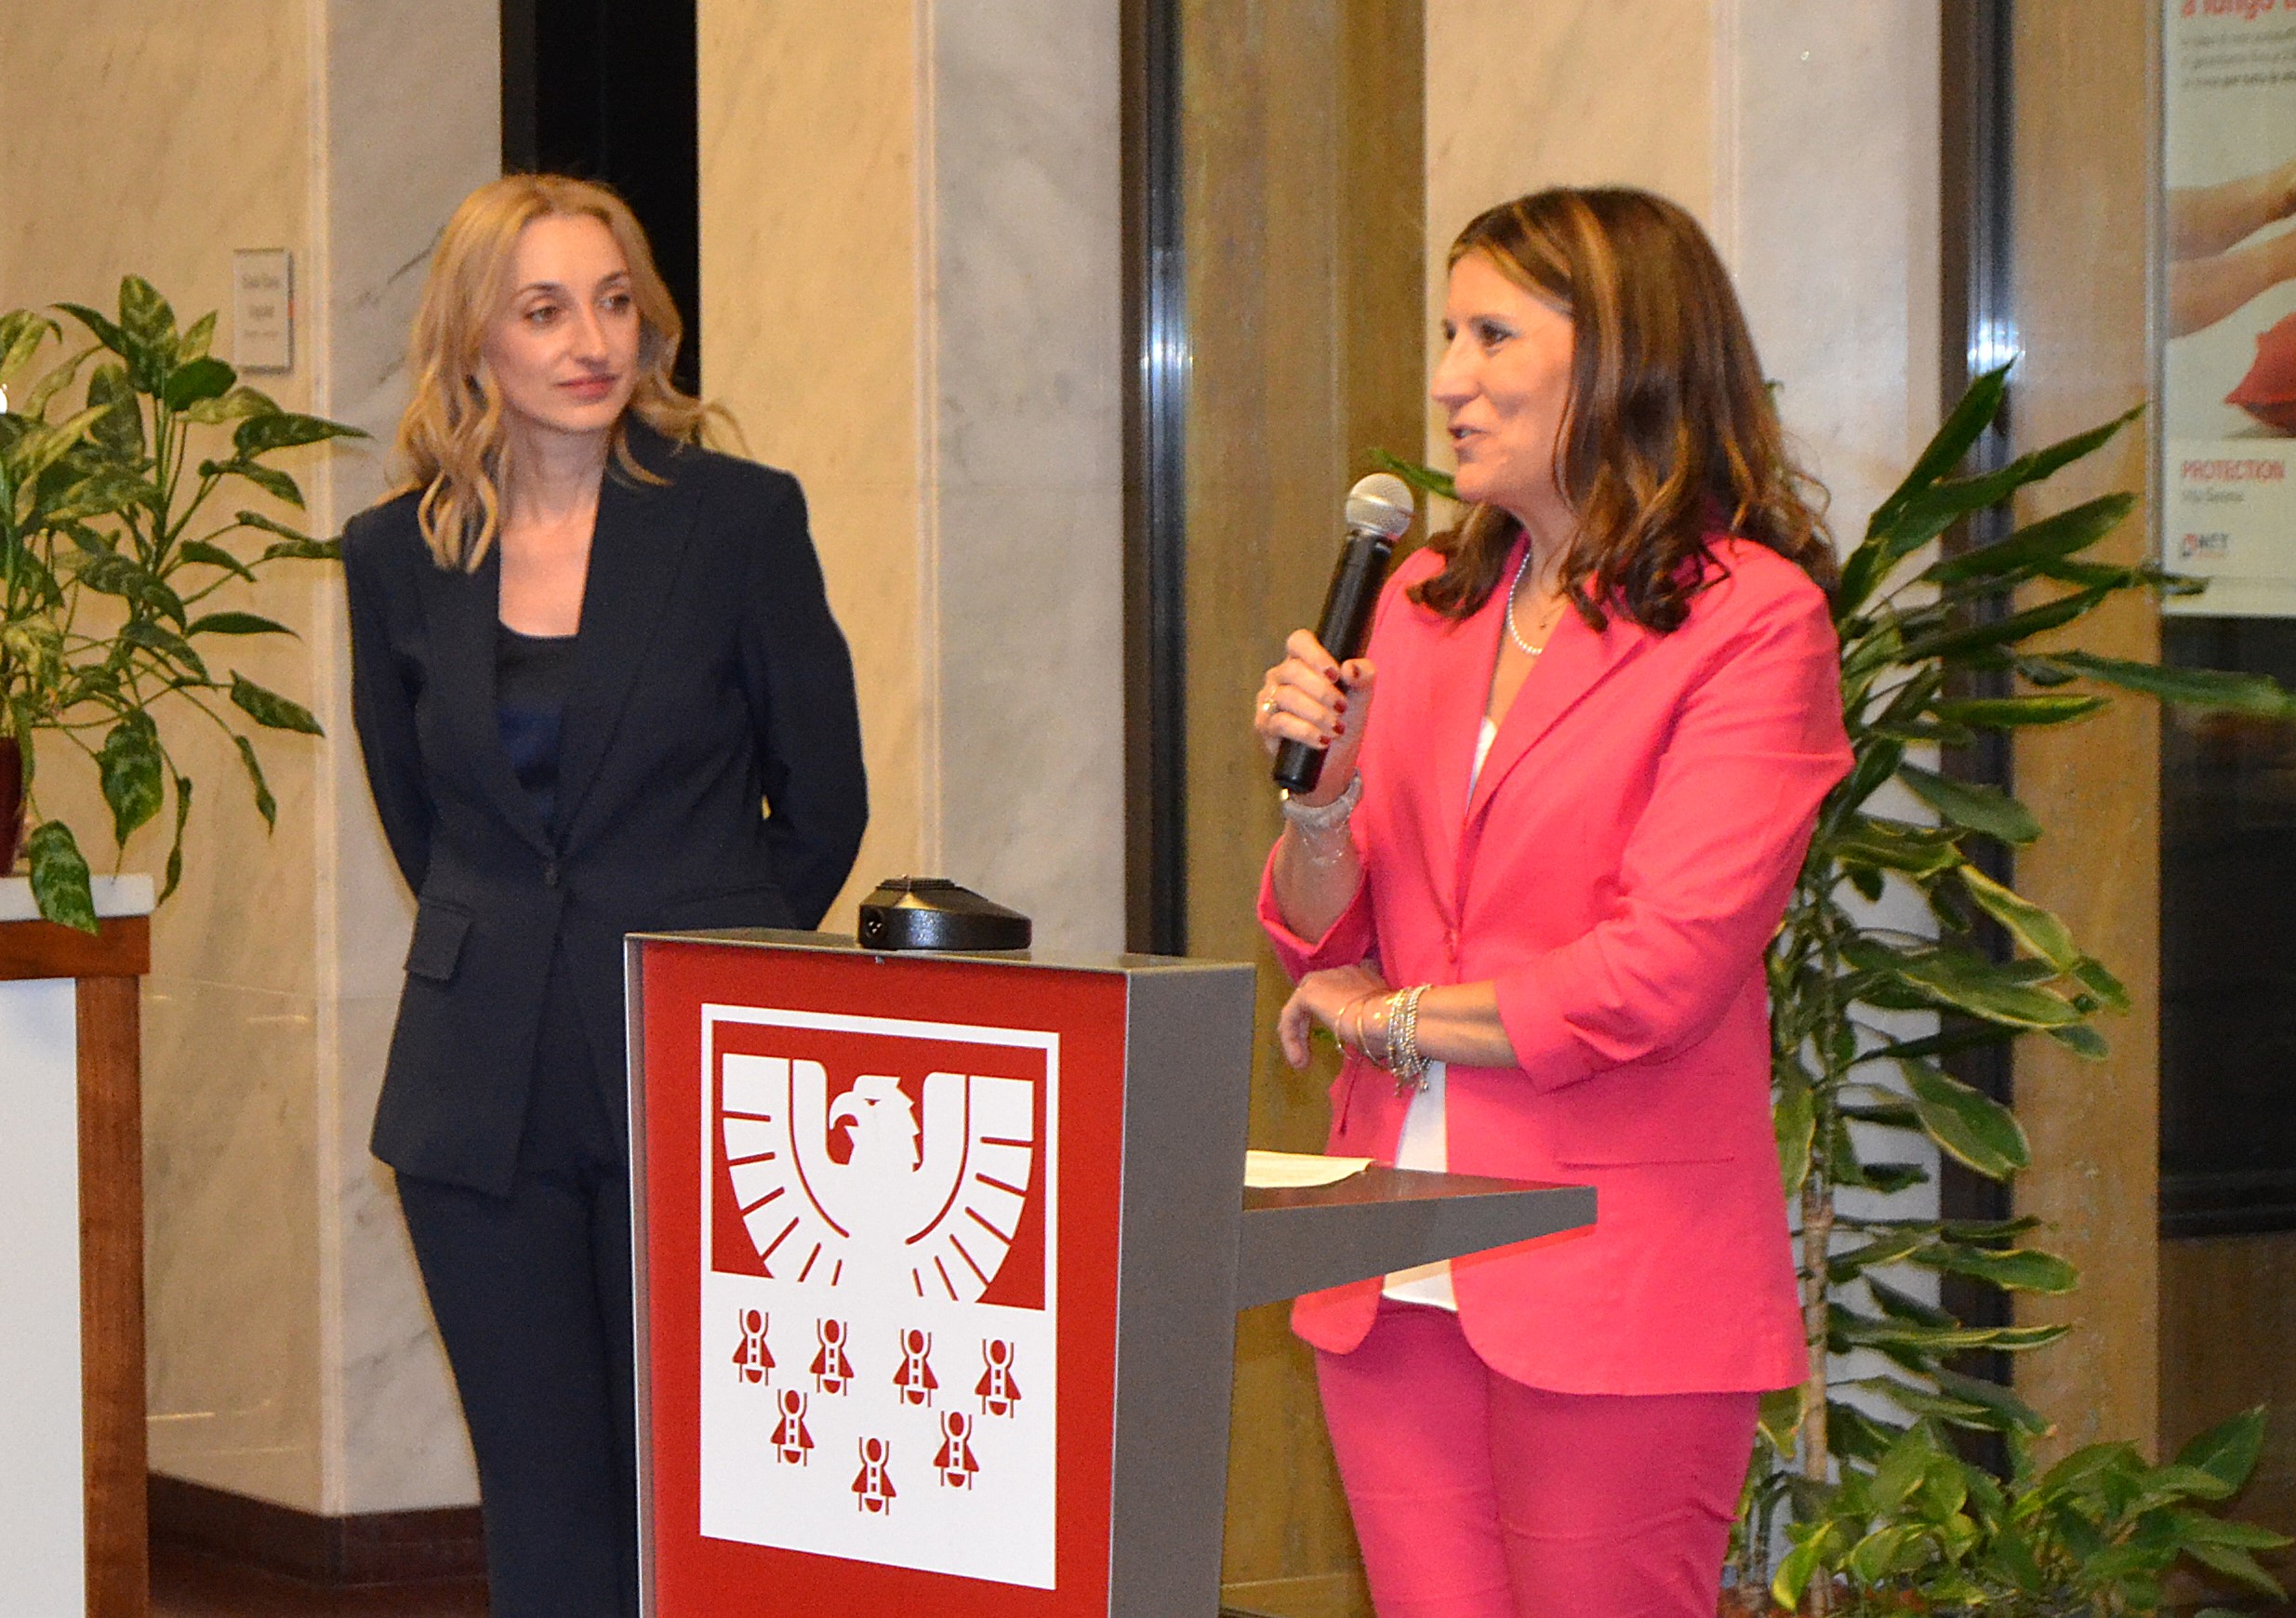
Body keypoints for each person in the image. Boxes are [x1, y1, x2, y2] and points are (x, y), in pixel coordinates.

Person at [1253, 186, 1851, 1618]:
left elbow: (1656, 973)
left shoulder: (1750, 621)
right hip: (1391, 1264)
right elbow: (1324, 933)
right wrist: (1318, 803)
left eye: (1490, 336)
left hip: (1614, 1268)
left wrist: (1388, 1021)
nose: (1445, 381)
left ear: (1622, 356)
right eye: (1444, 335)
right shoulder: (1421, 603)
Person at [343, 173, 867, 1617]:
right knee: (544, 1510)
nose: (592, 341)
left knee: (701, 1495)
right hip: (478, 1094)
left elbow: (822, 799)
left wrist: (721, 957)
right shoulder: (393, 553)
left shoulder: (738, 521)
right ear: (475, 341)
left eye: (615, 302)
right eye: (545, 310)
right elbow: (422, 816)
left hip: (694, 1075)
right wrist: (515, 945)